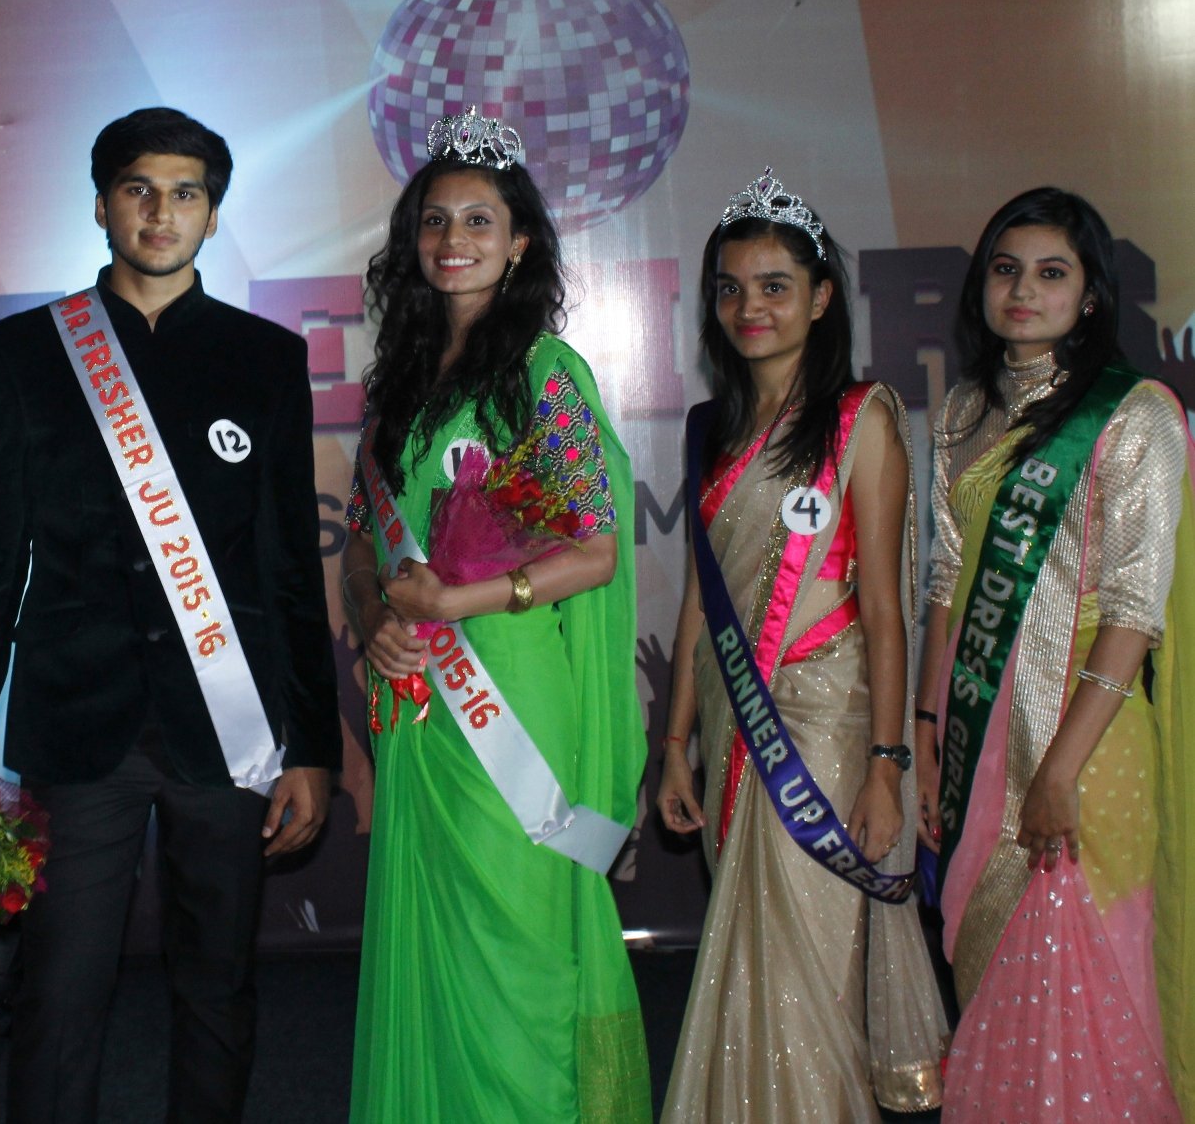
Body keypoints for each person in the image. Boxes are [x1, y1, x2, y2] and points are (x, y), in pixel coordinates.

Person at [0, 106, 339, 1124]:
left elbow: (291, 564)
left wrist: (311, 747)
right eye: (139, 190)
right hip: (79, 722)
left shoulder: (264, 357)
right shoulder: (28, 350)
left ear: (213, 214)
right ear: (102, 204)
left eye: (185, 193)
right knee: (59, 994)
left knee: (218, 987)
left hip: (229, 725)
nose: (162, 212)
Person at [343, 106, 650, 1123]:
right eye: (435, 221)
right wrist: (378, 618)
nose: (454, 240)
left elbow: (595, 551)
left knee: (517, 940)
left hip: (509, 693)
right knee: (432, 944)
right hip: (414, 699)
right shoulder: (397, 384)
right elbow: (363, 546)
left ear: (519, 242)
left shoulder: (544, 375)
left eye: (479, 220)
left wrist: (457, 601)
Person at [653, 170, 947, 1120]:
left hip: (825, 726)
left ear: (821, 299)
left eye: (775, 286)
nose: (751, 307)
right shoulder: (711, 429)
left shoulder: (863, 418)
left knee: (813, 964)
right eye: (731, 288)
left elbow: (886, 610)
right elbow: (701, 599)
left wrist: (887, 765)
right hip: (731, 721)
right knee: (745, 955)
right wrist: (675, 741)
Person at [914, 188, 1192, 1119]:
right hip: (975, 731)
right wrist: (925, 728)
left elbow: (1134, 610)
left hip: (1091, 738)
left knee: (1087, 976)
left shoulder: (1136, 416)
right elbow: (947, 583)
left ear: (1091, 294)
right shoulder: (963, 411)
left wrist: (1060, 770)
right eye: (1006, 270)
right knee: (990, 972)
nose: (1023, 291)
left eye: (1050, 272)